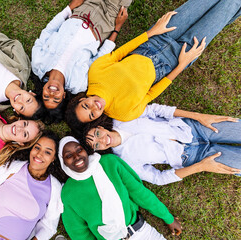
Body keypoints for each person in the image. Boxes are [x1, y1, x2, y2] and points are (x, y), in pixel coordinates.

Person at [66, 0, 241, 134]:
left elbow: (120, 52)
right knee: (227, 8)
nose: (94, 107)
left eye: (86, 106)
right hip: (175, 59)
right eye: (92, 114)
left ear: (81, 100)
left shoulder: (94, 75)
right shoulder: (122, 113)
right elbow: (151, 93)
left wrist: (152, 32)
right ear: (96, 120)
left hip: (156, 39)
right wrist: (182, 64)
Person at [81, 103, 241, 185]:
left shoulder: (121, 118)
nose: (102, 140)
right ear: (99, 151)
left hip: (193, 128)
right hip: (194, 157)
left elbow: (155, 110)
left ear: (100, 127)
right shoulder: (124, 161)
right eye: (96, 145)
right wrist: (201, 167)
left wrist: (199, 116)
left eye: (96, 134)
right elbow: (158, 178)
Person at [59, 136, 182, 239]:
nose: (76, 156)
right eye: (68, 156)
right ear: (62, 162)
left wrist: (168, 218)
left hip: (142, 233)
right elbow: (78, 232)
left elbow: (140, 193)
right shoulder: (68, 192)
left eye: (79, 150)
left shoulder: (109, 163)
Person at [0, 131, 64, 240]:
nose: (39, 154)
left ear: (54, 158)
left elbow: (49, 226)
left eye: (48, 152)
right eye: (37, 148)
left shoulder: (54, 188)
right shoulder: (11, 168)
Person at [31, 0, 131, 113]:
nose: (52, 94)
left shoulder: (38, 63)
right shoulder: (78, 84)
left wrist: (70, 7)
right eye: (56, 99)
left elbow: (48, 31)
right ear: (63, 96)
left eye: (46, 97)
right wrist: (117, 27)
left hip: (82, 9)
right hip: (106, 21)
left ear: (42, 90)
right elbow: (99, 58)